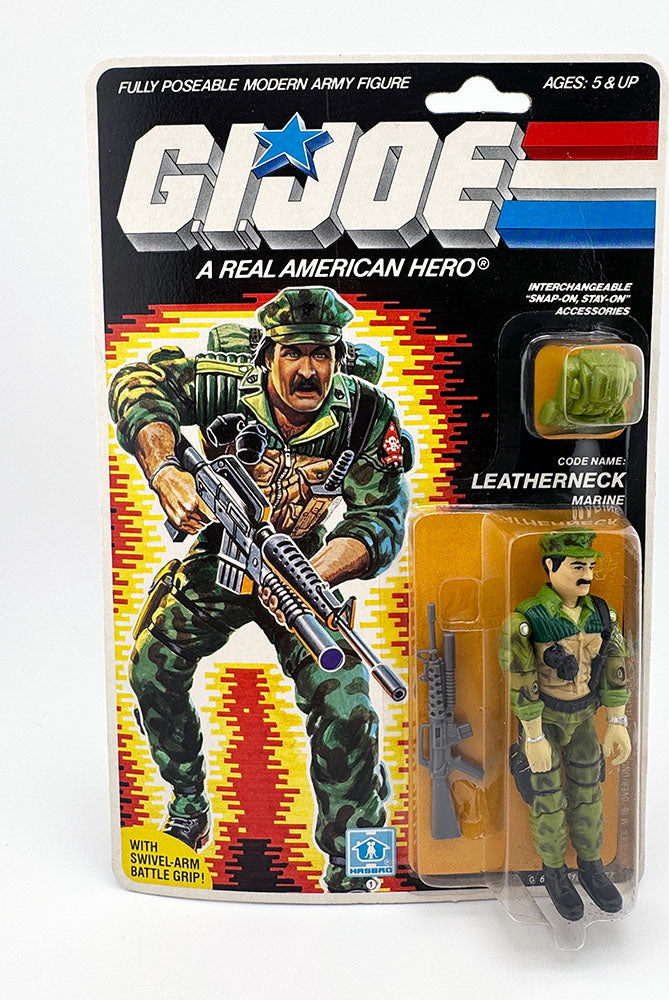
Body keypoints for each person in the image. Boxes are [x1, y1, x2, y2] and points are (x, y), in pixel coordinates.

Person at [109, 286, 411, 892]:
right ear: (268, 354)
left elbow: (380, 516)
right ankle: (188, 803)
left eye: (321, 354)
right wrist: (166, 470)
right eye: (293, 353)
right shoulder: (223, 384)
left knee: (348, 705)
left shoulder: (366, 412)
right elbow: (134, 384)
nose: (308, 370)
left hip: (302, 565)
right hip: (222, 552)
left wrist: (317, 574)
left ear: (338, 356)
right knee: (150, 668)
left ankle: (358, 860)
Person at [500, 531, 631, 921]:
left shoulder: (601, 615)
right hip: (545, 721)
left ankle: (591, 867)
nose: (586, 574)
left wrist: (617, 721)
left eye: (589, 565)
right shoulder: (528, 620)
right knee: (548, 800)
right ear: (551, 566)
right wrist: (533, 735)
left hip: (584, 719)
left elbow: (615, 667)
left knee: (589, 793)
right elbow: (522, 679)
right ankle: (555, 873)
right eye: (577, 566)